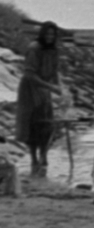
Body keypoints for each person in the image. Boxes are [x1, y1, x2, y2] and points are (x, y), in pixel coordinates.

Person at [15, 21, 65, 174]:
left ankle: (43, 155)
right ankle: (34, 159)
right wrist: (51, 87)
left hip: (44, 88)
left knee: (47, 124)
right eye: (47, 34)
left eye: (52, 35)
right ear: (42, 34)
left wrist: (60, 87)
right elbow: (29, 75)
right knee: (33, 124)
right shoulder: (34, 49)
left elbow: (55, 70)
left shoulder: (54, 50)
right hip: (30, 89)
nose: (50, 37)